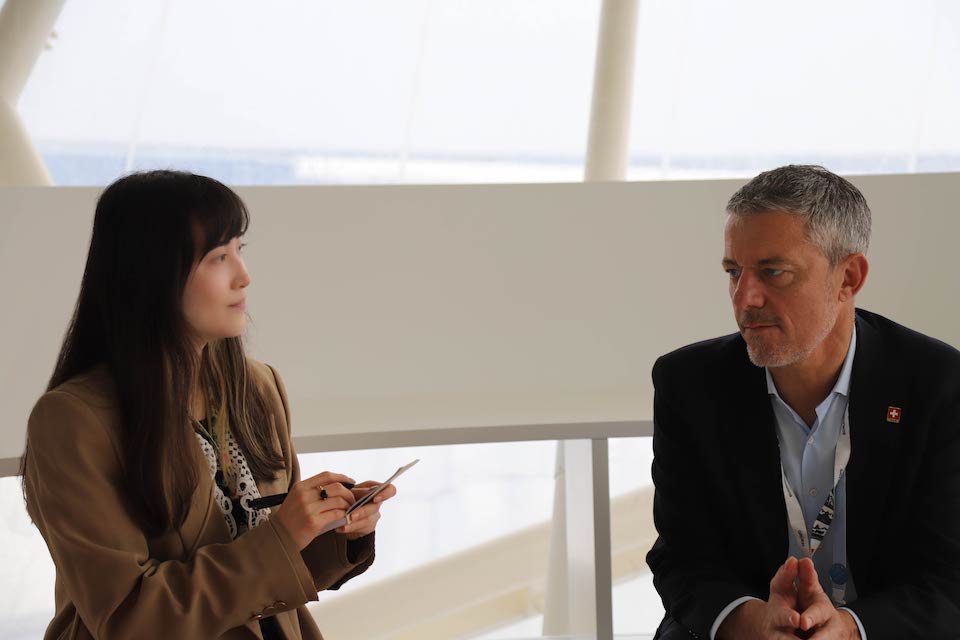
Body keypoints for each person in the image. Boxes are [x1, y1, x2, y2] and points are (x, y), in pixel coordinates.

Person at [20, 170, 397, 639]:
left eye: (240, 249)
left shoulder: (257, 387)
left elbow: (273, 584)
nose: (244, 276)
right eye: (219, 257)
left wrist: (335, 531)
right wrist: (281, 538)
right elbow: (127, 619)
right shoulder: (73, 421)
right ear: (152, 273)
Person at [646, 165, 960, 640]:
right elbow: (682, 556)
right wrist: (746, 620)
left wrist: (851, 629)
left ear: (848, 277)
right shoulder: (688, 383)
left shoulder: (938, 384)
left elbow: (950, 573)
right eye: (733, 272)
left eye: (773, 272)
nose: (744, 298)